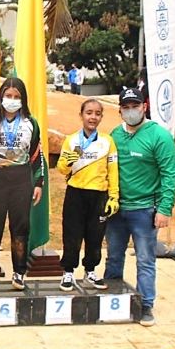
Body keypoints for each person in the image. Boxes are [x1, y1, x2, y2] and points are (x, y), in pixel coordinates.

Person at [104, 87, 175, 327]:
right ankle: (112, 299)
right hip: (117, 209)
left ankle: (146, 304)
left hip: (145, 209)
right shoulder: (115, 135)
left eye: (135, 106)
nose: (130, 111)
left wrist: (164, 209)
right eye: (125, 107)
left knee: (145, 259)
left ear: (144, 106)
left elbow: (169, 174)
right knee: (113, 256)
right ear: (120, 110)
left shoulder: (159, 136)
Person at [0, 77, 44, 291]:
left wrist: (39, 183)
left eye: (16, 97)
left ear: (23, 100)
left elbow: (36, 155)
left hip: (21, 179)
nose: (12, 100)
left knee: (20, 229)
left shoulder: (30, 123)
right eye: (8, 95)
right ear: (0, 96)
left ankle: (19, 273)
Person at [56, 99, 119, 291]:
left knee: (95, 235)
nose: (93, 117)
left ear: (101, 117)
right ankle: (68, 272)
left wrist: (113, 196)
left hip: (99, 195)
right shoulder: (71, 140)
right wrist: (67, 163)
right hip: (75, 193)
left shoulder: (107, 142)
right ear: (81, 115)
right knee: (72, 234)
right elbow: (61, 168)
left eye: (97, 113)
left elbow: (113, 170)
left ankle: (90, 271)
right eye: (89, 113)